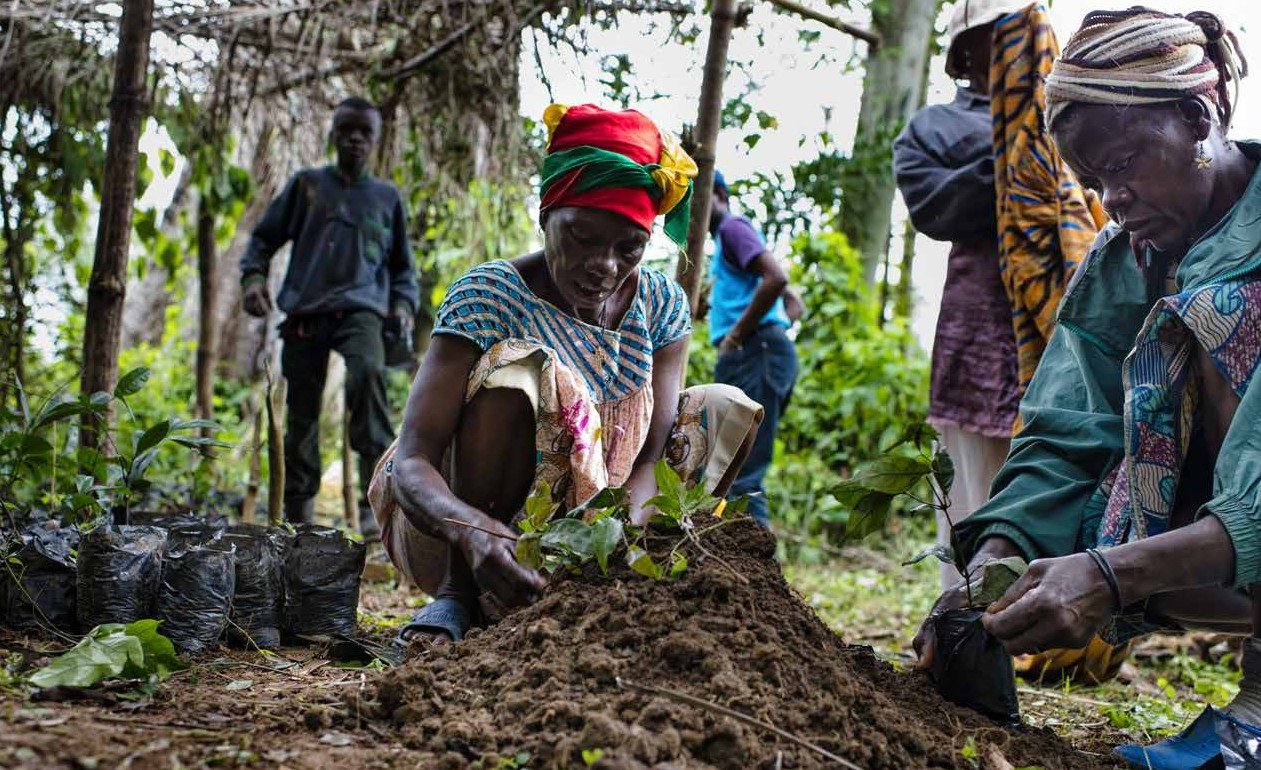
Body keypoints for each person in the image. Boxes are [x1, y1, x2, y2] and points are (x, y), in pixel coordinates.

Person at [913, 8, 1261, 765]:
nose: (1112, 198)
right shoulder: (1122, 257)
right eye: (1095, 179)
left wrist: (1105, 576)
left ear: (1203, 115)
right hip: (1222, 548)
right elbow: (1064, 429)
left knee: (1224, 312)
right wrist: (989, 572)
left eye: (1127, 162)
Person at [367, 104, 763, 644]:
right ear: (545, 217)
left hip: (587, 537)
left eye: (629, 248)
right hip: (459, 534)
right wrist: (473, 532)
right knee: (523, 370)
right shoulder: (489, 293)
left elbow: (652, 458)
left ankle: (605, 594)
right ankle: (458, 598)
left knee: (721, 405)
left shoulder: (663, 305)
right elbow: (413, 460)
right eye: (581, 237)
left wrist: (616, 544)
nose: (603, 264)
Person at [240, 97, 418, 539]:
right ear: (333, 134)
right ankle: (298, 519)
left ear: (375, 141)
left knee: (368, 378)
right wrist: (252, 280)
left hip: (363, 309)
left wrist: (402, 306)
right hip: (307, 309)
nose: (355, 140)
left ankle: (375, 512)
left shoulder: (386, 197)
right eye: (347, 131)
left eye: (365, 133)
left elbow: (402, 268)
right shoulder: (307, 186)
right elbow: (262, 240)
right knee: (301, 409)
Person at [706, 171, 800, 529]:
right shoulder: (726, 244)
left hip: (755, 353)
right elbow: (795, 303)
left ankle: (759, 579)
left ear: (718, 194)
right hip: (764, 352)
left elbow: (777, 279)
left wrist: (740, 336)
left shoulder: (732, 228)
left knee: (740, 471)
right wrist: (777, 331)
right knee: (732, 467)